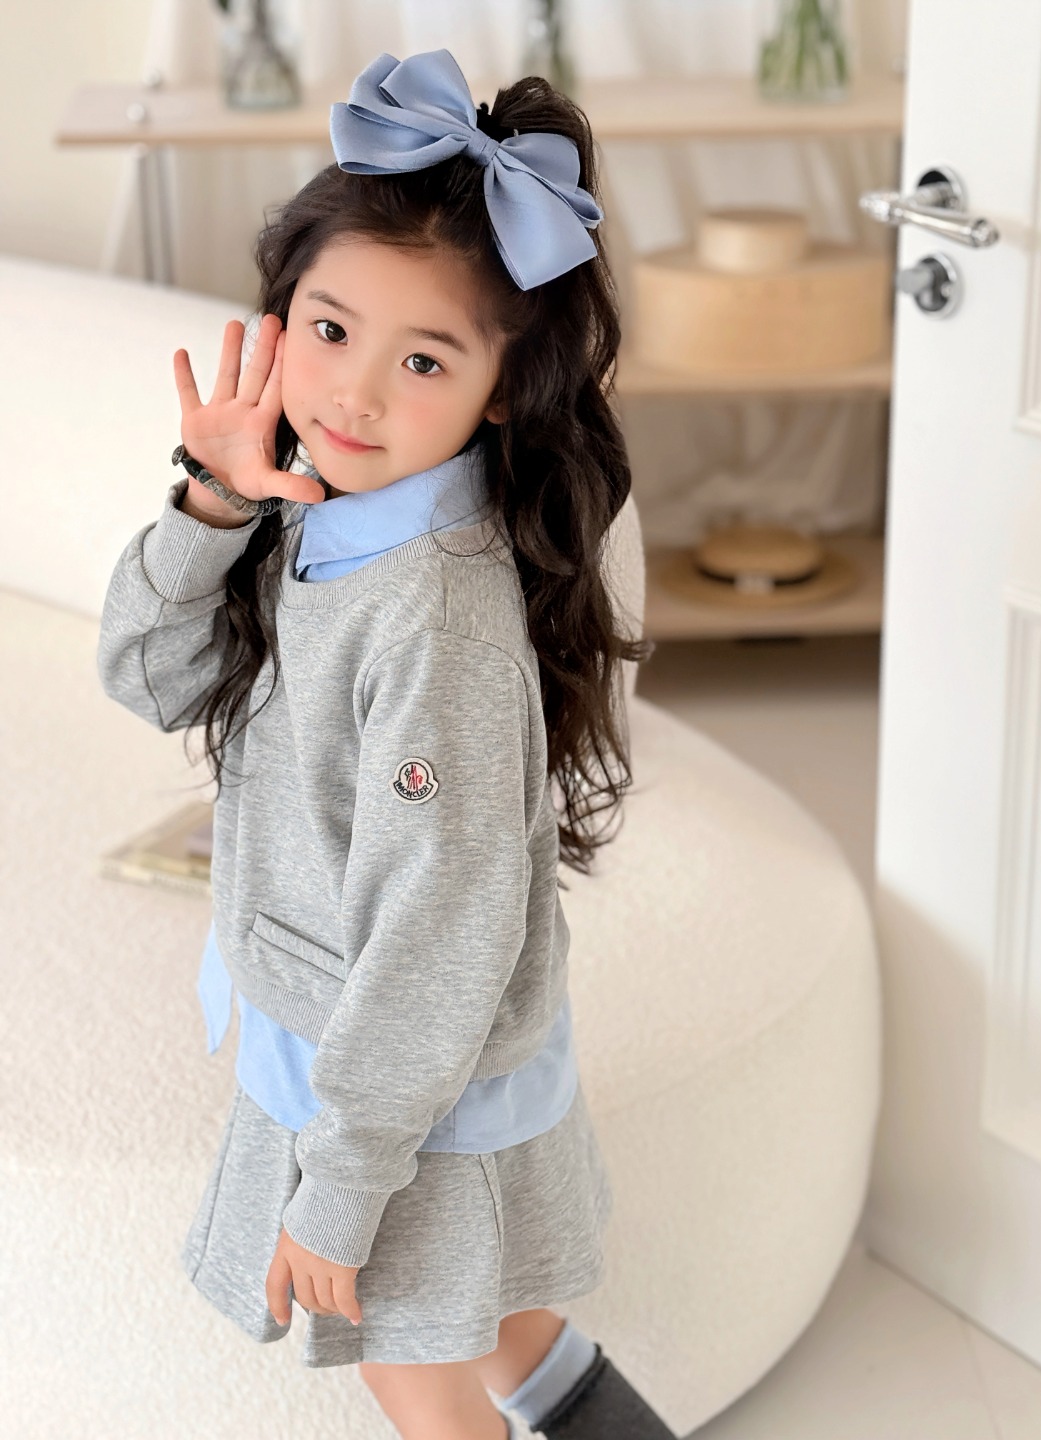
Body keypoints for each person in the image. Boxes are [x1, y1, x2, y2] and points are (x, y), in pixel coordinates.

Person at [97, 46, 672, 1440]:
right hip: (365, 1057)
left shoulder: (438, 625)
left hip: (397, 1094)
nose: (352, 394)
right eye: (329, 329)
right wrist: (211, 503)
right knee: (508, 1328)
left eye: (423, 359)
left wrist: (345, 1185)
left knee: (413, 1368)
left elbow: (441, 929)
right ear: (278, 315)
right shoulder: (304, 508)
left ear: (501, 387)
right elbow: (147, 677)